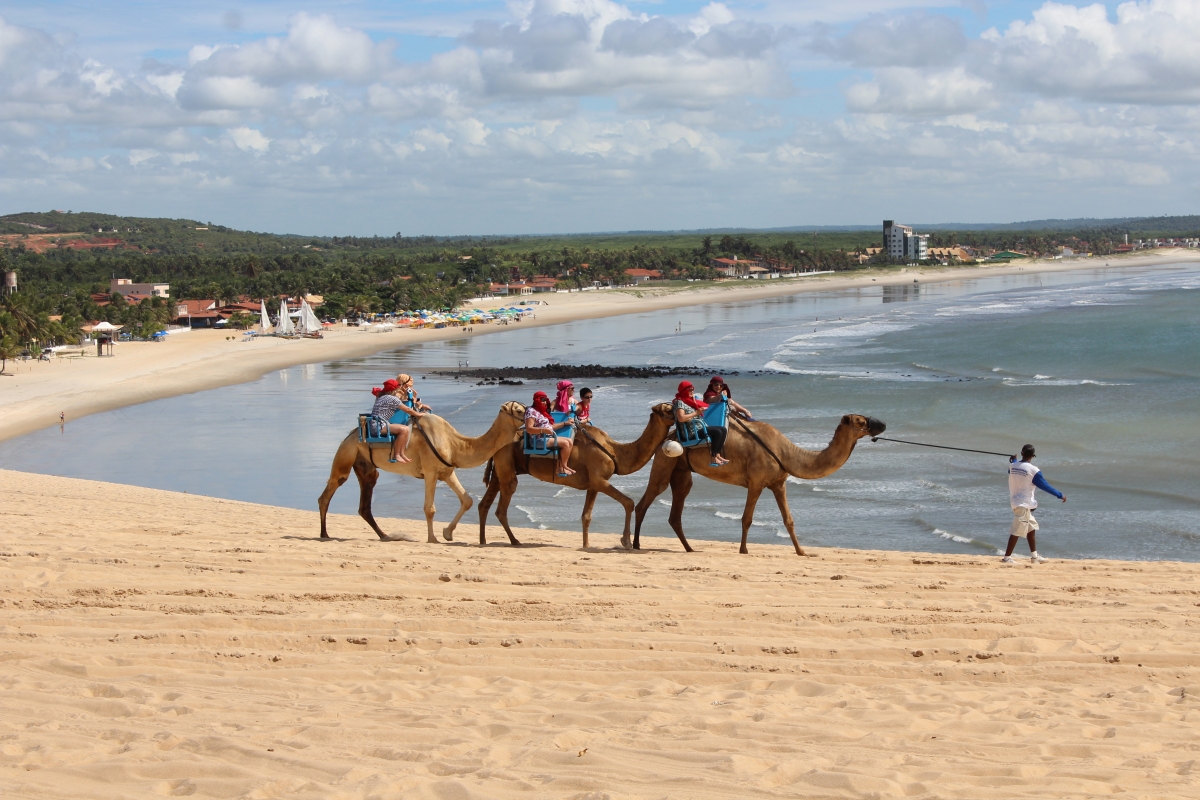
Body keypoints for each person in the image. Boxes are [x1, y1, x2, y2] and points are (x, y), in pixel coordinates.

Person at [1002, 444, 1065, 563]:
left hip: (1017, 503)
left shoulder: (1012, 466)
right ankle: (1006, 558)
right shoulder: (1033, 470)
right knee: (1016, 531)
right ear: (1033, 456)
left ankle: (1034, 557)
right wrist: (1059, 495)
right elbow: (1045, 486)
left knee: (1031, 528)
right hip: (1023, 505)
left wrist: (1014, 460)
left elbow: (1014, 469)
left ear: (1022, 453)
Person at [674, 380, 728, 466]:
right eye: (690, 390)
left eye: (693, 389)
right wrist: (696, 412)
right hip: (691, 431)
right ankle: (713, 458)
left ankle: (717, 455)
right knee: (718, 432)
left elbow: (705, 404)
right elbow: (681, 418)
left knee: (723, 429)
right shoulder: (679, 402)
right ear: (684, 391)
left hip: (699, 427)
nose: (692, 391)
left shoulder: (689, 401)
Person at [370, 379, 421, 464]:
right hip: (379, 426)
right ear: (394, 390)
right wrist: (418, 414)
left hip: (377, 423)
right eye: (398, 389)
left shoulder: (383, 396)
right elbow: (407, 409)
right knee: (404, 430)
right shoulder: (391, 398)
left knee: (406, 429)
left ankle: (402, 454)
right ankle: (396, 455)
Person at [525, 390, 575, 477]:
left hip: (547, 437)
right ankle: (562, 468)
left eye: (545, 400)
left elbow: (550, 427)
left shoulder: (542, 411)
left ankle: (562, 466)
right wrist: (543, 430)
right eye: (542, 400)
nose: (544, 402)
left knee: (569, 441)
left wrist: (565, 423)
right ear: (536, 400)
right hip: (537, 440)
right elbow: (529, 429)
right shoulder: (531, 411)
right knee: (565, 443)